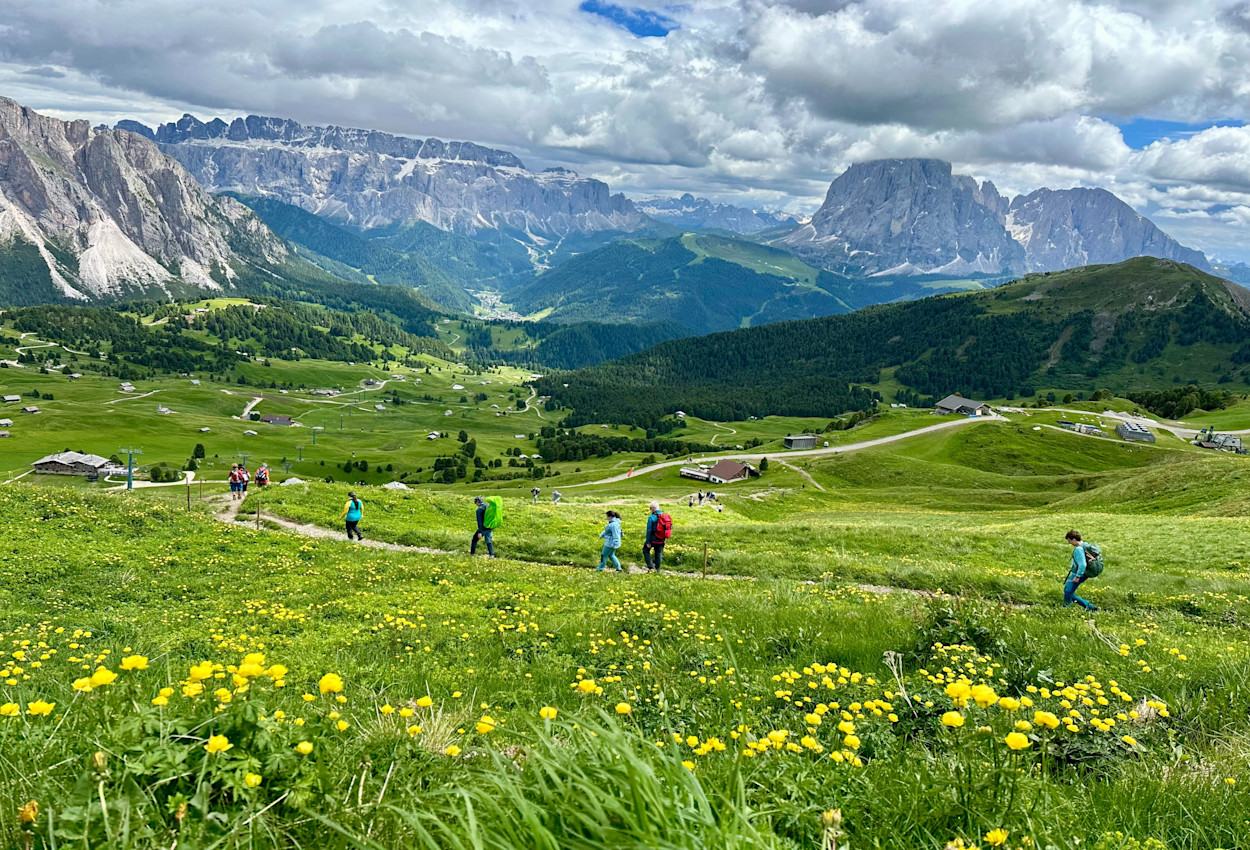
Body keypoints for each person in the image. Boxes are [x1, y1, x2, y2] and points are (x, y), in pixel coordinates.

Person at [1063, 530, 1098, 612]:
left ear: (1074, 539)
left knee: (1068, 591)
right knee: (1068, 590)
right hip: (1083, 573)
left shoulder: (1078, 549)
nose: (1070, 543)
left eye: (1070, 541)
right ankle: (1066, 606)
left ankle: (1090, 607)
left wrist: (1077, 576)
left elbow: (1082, 564)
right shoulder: (1085, 545)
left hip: (1079, 574)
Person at [643, 501, 670, 573]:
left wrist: (648, 541)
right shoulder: (664, 517)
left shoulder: (651, 517)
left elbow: (649, 530)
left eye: (650, 508)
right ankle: (657, 570)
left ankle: (651, 568)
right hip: (662, 539)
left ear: (653, 508)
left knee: (645, 551)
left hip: (653, 539)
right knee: (658, 554)